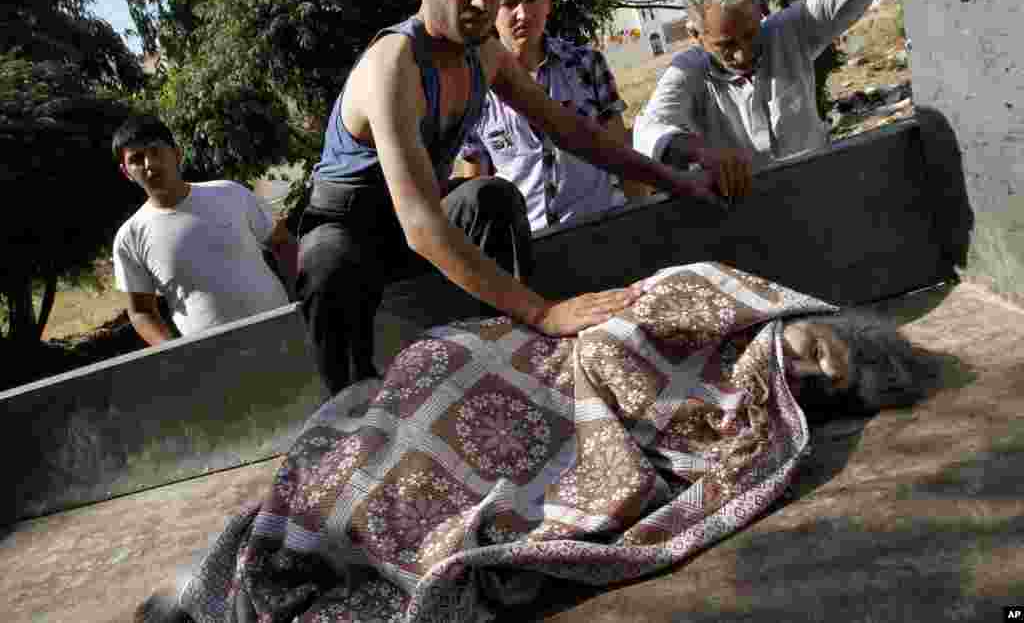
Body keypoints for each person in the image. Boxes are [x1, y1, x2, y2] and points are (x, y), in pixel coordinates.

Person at [151, 262, 934, 623]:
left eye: (827, 379)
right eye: (825, 350)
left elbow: (655, 441)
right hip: (501, 358)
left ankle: (288, 552)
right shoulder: (707, 296)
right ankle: (280, 536)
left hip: (568, 417)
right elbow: (641, 313)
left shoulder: (752, 413)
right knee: (412, 401)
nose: (812, 363)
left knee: (426, 494)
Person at [296, 0, 753, 395]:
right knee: (326, 258)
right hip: (356, 231)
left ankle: (505, 362)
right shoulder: (393, 64)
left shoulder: (485, 56)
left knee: (488, 197)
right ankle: (351, 401)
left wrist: (675, 180)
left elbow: (574, 132)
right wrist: (545, 312)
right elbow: (421, 225)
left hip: (415, 222)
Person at [632, 0, 894, 173]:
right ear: (696, 36)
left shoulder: (790, 32)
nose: (743, 52)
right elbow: (648, 131)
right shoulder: (688, 72)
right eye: (726, 44)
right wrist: (698, 150)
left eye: (750, 34)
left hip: (816, 192)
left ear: (760, 11)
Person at [456, 0, 630, 231]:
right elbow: (479, 190)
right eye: (509, 2)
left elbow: (624, 159)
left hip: (604, 227)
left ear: (547, 2)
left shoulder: (587, 65)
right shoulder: (474, 90)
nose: (522, 13)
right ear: (489, 7)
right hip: (532, 248)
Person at [112, 115, 298, 346]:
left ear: (177, 154)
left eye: (155, 151)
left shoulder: (230, 193)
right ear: (126, 172)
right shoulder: (129, 237)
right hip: (214, 364)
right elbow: (141, 312)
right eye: (137, 159)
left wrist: (299, 304)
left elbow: (283, 243)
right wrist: (174, 352)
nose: (149, 164)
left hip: (285, 336)